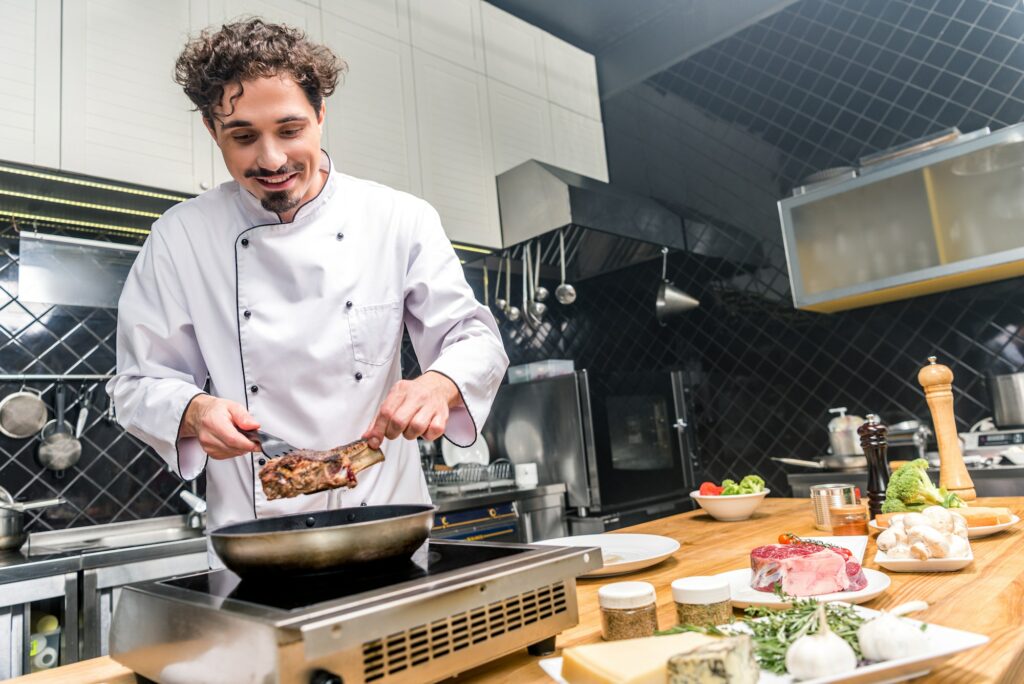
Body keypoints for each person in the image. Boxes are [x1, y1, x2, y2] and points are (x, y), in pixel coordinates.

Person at [107, 19, 508, 537]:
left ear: (321, 115)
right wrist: (193, 409)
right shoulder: (180, 236)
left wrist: (441, 383)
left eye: (290, 130)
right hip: (255, 538)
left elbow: (474, 339)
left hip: (388, 518)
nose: (271, 159)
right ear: (212, 130)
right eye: (244, 136)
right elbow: (134, 385)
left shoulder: (399, 218)